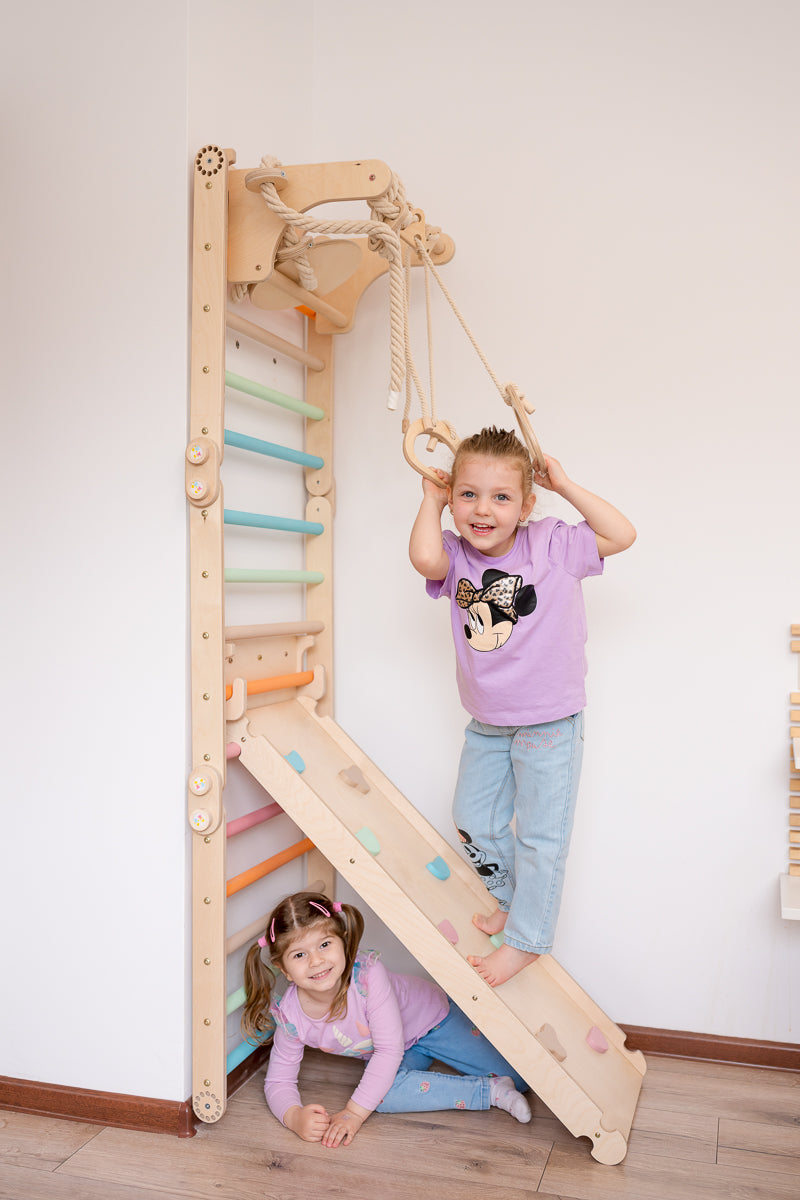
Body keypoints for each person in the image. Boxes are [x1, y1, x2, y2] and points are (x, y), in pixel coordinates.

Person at [409, 427, 636, 987]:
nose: (483, 510)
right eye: (468, 495)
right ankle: (514, 904)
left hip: (550, 724)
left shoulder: (553, 543)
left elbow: (622, 533)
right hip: (488, 723)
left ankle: (527, 941)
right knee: (474, 820)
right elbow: (424, 558)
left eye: (501, 497)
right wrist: (430, 500)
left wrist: (565, 485)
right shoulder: (455, 553)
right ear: (453, 499)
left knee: (540, 838)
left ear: (527, 505)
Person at [242, 890, 532, 1148]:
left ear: (343, 942)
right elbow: (278, 1080)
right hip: (397, 1048)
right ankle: (491, 1092)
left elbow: (388, 1050)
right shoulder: (291, 1016)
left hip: (432, 1020)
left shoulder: (368, 976)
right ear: (284, 969)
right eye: (299, 955)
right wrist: (293, 1117)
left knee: (522, 1080)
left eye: (325, 944)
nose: (316, 961)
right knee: (381, 1096)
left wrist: (353, 1113)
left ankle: (477, 1047)